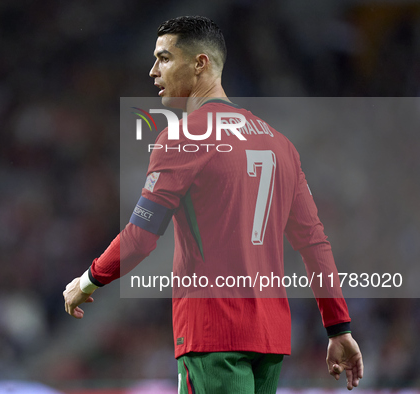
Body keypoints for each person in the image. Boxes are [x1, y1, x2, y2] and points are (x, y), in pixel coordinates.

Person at [63, 16, 363, 393]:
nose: (153, 71)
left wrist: (88, 280)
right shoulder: (280, 144)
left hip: (213, 335)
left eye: (164, 58)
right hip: (269, 341)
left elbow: (141, 237)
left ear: (200, 63)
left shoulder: (183, 139)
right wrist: (338, 328)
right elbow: (314, 244)